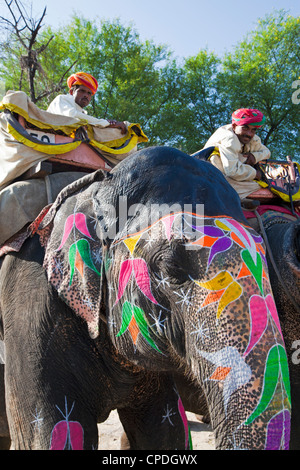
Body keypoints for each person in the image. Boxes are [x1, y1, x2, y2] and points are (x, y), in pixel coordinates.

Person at [203, 108, 270, 199]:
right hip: (212, 175)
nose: (249, 134)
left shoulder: (250, 138)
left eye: (253, 130)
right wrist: (256, 174)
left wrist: (254, 157)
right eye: (245, 128)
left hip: (229, 173)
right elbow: (232, 171)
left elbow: (266, 152)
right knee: (259, 186)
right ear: (234, 126)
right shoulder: (229, 138)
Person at [47, 71, 127, 134]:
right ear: (71, 92)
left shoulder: (83, 113)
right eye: (82, 91)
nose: (86, 95)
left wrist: (111, 125)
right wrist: (105, 123)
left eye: (89, 93)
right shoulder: (62, 99)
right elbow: (73, 115)